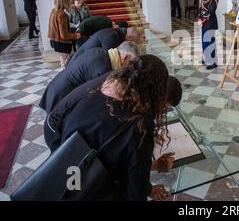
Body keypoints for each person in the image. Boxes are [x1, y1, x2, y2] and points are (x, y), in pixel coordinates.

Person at [44, 55, 173, 201]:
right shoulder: (140, 124)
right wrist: (149, 189)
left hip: (64, 170)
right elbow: (135, 184)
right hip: (90, 188)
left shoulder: (101, 86)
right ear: (156, 92)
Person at [39, 41, 140, 114]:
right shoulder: (104, 68)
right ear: (125, 58)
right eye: (130, 63)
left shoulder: (100, 51)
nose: (129, 67)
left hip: (56, 85)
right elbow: (98, 101)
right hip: (62, 95)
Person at [67, 27, 140, 66]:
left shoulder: (115, 33)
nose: (131, 45)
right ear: (130, 38)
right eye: (132, 42)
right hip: (77, 63)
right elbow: (108, 60)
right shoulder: (113, 37)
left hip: (80, 61)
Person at [48, 0, 81, 68]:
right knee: (67, 65)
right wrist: (76, 35)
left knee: (63, 62)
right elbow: (64, 35)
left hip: (55, 41)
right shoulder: (62, 14)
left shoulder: (53, 11)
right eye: (68, 0)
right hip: (62, 43)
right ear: (65, 1)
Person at [198, 0, 219, 70]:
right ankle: (206, 57)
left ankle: (213, 62)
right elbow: (201, 8)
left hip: (210, 22)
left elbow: (211, 11)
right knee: (204, 41)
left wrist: (202, 21)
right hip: (203, 21)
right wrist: (199, 19)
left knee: (210, 41)